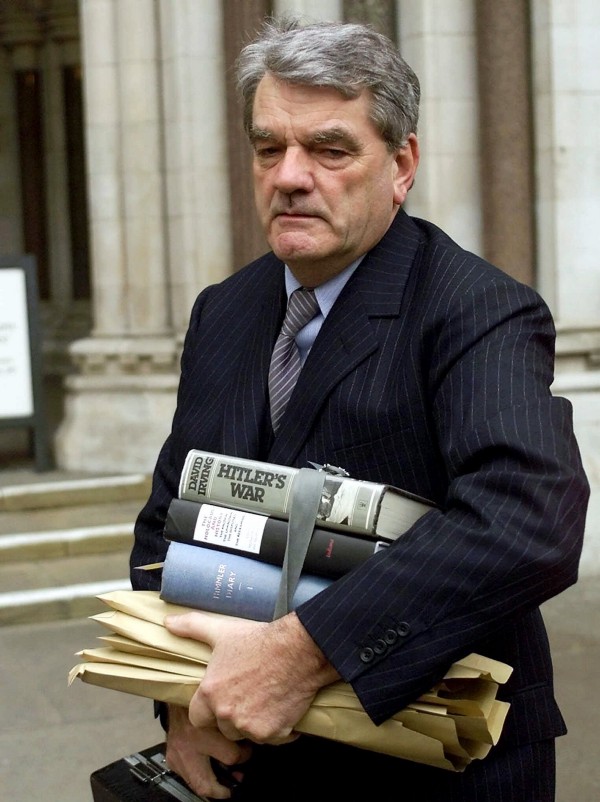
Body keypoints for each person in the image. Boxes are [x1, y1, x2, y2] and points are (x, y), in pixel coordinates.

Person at [130, 16, 590, 801]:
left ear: (401, 164)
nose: (290, 176)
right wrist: (180, 699)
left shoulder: (477, 308)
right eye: (269, 147)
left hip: (433, 767)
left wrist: (303, 653)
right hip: (244, 760)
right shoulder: (225, 311)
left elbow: (527, 518)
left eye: (330, 150)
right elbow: (168, 519)